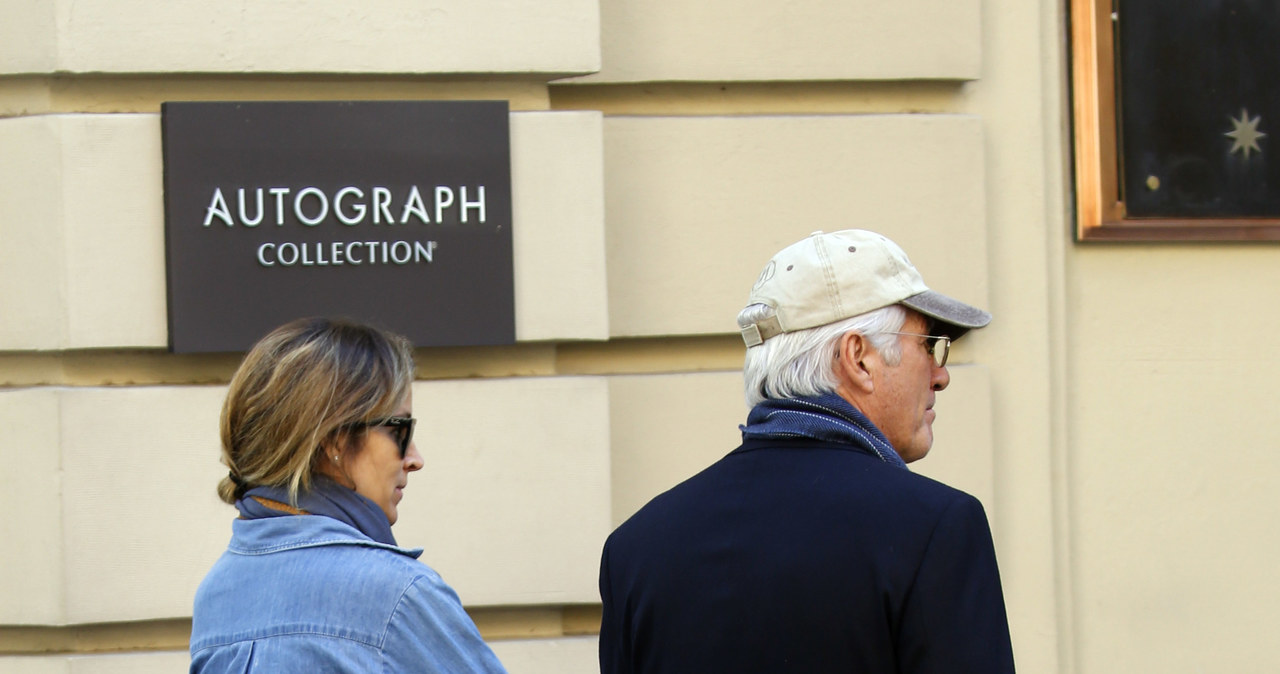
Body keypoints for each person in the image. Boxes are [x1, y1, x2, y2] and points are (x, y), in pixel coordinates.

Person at [598, 230, 1015, 673]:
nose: (940, 375)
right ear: (858, 357)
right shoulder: (935, 528)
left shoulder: (637, 548)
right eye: (928, 346)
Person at [190, 317, 507, 673]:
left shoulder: (217, 592)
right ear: (334, 442)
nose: (415, 459)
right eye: (399, 430)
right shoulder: (398, 595)